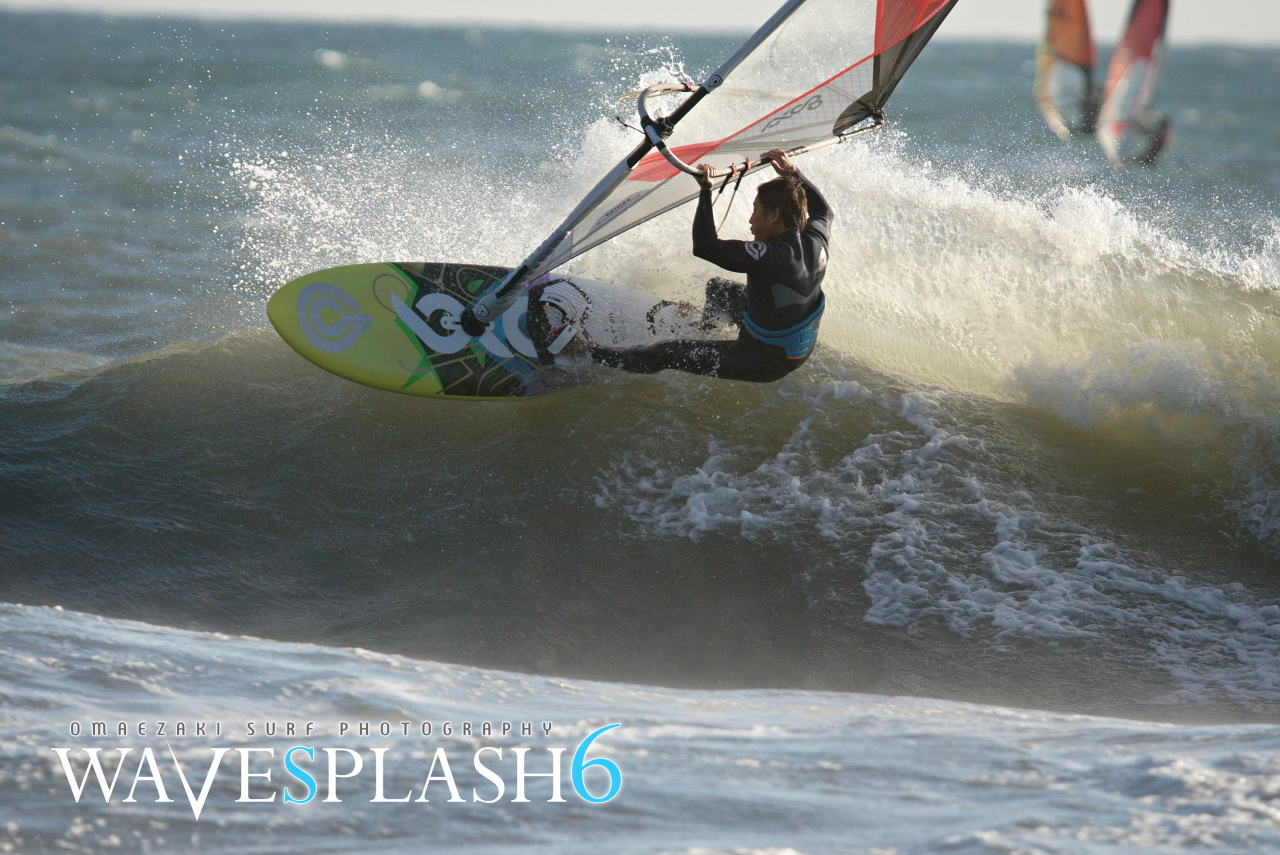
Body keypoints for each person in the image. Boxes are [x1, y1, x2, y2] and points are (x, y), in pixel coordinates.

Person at [585, 148, 832, 382]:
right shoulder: (814, 241)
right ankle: (703, 332)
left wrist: (706, 191)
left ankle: (587, 352)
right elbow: (824, 211)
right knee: (719, 289)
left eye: (755, 210)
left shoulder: (771, 256)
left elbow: (705, 247)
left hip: (766, 359)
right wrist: (793, 173)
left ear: (774, 216)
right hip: (796, 338)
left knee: (666, 352)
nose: (750, 219)